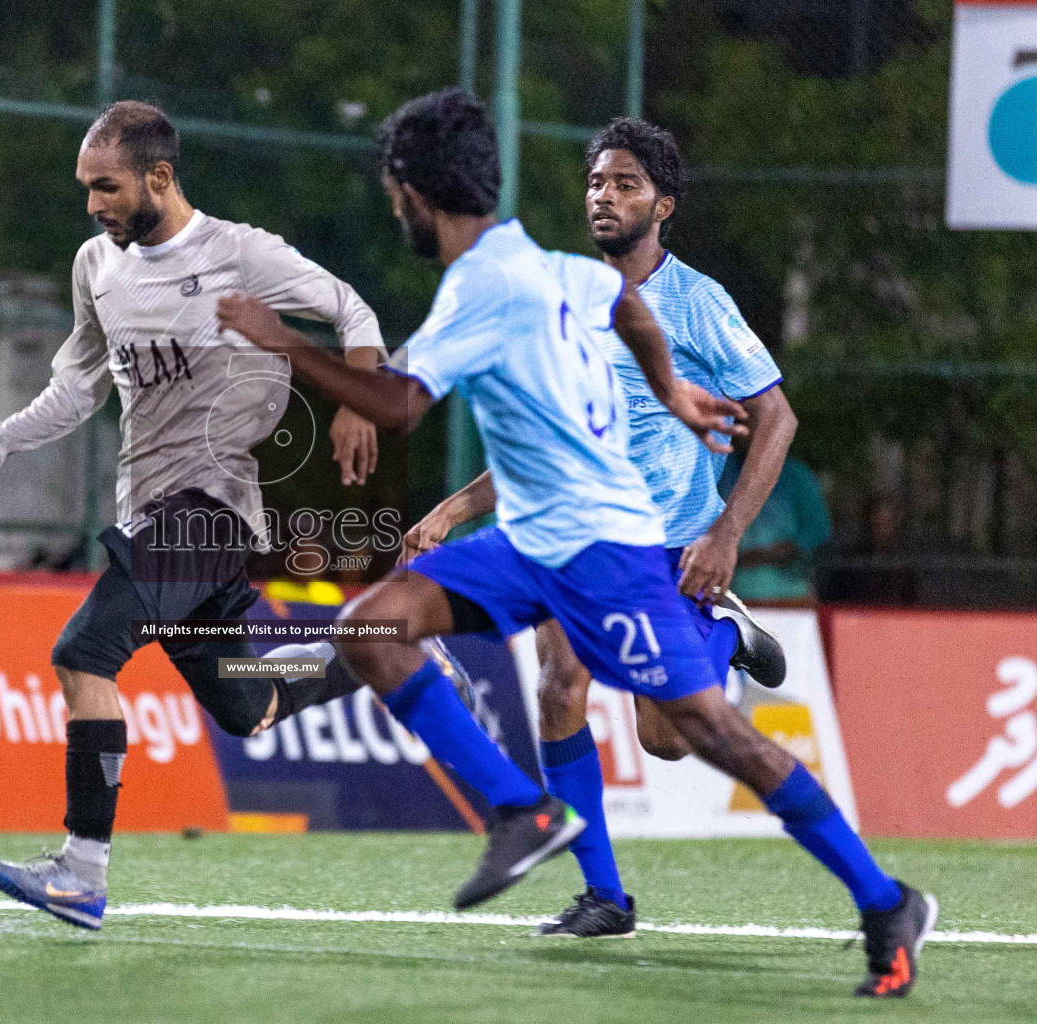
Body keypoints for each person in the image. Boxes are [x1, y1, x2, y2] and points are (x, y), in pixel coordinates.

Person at [218, 88, 934, 998]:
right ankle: (533, 819)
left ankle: (883, 899)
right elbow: (622, 320)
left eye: (394, 192)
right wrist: (669, 391)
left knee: (699, 737)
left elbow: (398, 406)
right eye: (596, 182)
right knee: (378, 629)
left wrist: (278, 335)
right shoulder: (554, 266)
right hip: (533, 539)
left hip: (609, 551)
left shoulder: (486, 283)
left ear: (413, 192)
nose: (603, 196)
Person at [0, 100, 400, 931]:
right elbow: (79, 387)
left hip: (211, 514)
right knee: (248, 709)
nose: (92, 205)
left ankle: (81, 873)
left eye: (106, 187)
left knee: (84, 652)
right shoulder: (96, 266)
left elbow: (354, 313)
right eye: (86, 188)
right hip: (157, 515)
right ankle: (379, 652)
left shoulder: (240, 253)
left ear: (159, 177)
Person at [403, 118, 797, 938]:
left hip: (668, 553)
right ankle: (605, 896)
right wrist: (451, 509)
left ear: (665, 204)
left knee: (667, 740)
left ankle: (724, 637)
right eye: (596, 184)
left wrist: (724, 535)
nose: (605, 197)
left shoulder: (699, 304)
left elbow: (778, 417)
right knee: (557, 691)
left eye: (624, 184)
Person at [724, 452, 832, 601]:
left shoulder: (795, 474)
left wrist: (782, 551)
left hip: (790, 593)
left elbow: (818, 529)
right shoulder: (721, 472)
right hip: (731, 596)